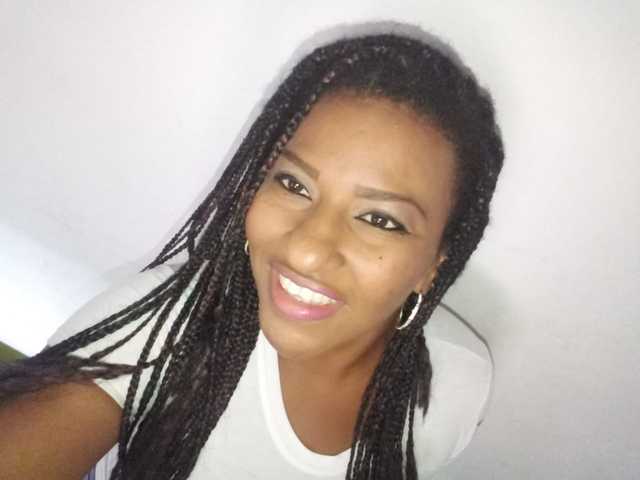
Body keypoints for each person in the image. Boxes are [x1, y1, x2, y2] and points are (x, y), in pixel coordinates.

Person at [0, 27, 504, 480]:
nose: (306, 250)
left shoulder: (455, 386)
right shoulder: (153, 335)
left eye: (379, 219)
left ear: (433, 267)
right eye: (293, 184)